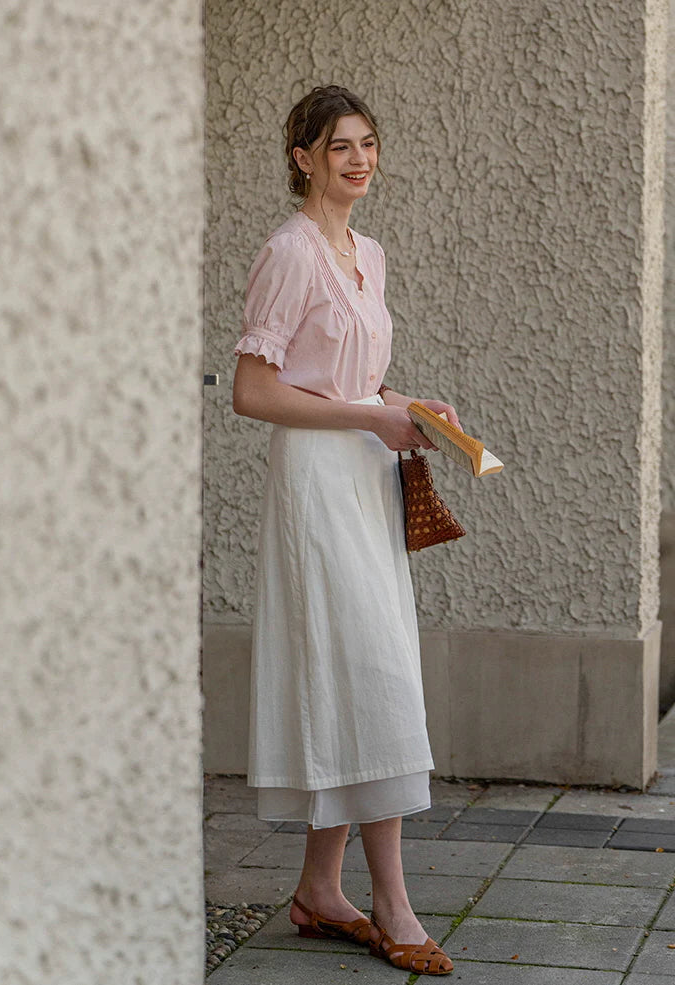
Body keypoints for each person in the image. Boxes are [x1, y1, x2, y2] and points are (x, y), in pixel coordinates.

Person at [232, 84, 458, 976]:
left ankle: (321, 893)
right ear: (302, 159)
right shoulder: (289, 253)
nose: (359, 160)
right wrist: (367, 418)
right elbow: (256, 391)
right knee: (375, 677)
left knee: (358, 669)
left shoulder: (370, 252)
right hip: (318, 486)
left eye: (367, 144)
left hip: (365, 480)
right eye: (339, 148)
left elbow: (354, 378)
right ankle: (394, 905)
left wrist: (408, 405)